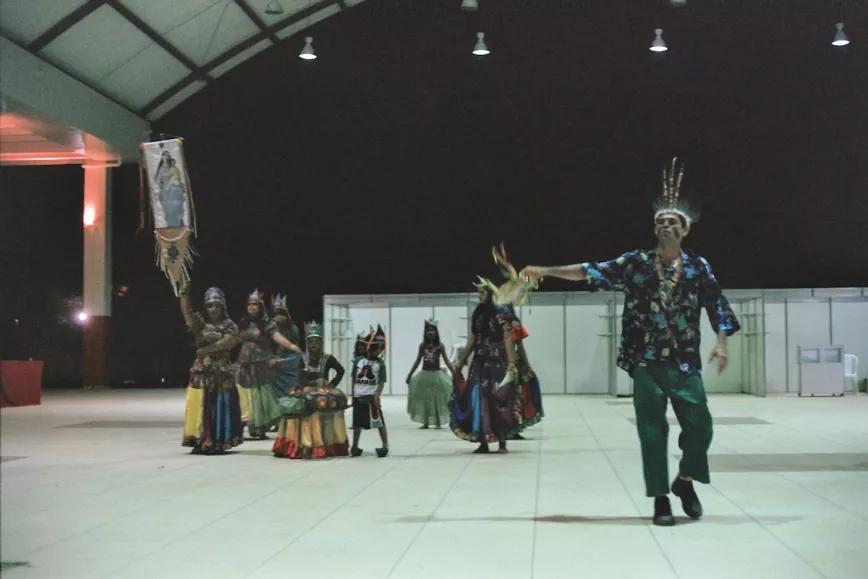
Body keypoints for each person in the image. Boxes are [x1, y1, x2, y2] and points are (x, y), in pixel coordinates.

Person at [520, 158, 740, 525]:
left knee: (701, 426)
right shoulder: (635, 263)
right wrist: (545, 270)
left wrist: (721, 342)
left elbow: (717, 305)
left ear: (685, 230)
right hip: (646, 363)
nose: (665, 225)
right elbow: (590, 271)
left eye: (672, 222)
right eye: (660, 222)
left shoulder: (699, 268)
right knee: (652, 433)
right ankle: (660, 500)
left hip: (685, 363)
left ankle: (685, 481)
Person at [450, 280, 520, 454]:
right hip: (480, 363)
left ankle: (502, 441)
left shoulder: (502, 312)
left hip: (497, 363)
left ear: (490, 294)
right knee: (479, 401)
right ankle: (484, 441)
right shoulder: (478, 313)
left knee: (499, 400)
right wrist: (460, 362)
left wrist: (511, 362)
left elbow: (507, 337)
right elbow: (472, 340)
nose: (479, 296)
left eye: (482, 293)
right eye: (478, 293)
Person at [179, 286, 243, 454]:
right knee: (201, 404)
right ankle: (202, 439)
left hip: (221, 371)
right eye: (209, 305)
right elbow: (187, 315)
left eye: (216, 305)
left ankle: (218, 440)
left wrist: (205, 350)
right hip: (201, 372)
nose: (213, 309)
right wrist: (184, 295)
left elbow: (227, 343)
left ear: (223, 306)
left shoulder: (230, 325)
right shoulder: (200, 323)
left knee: (219, 405)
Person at [273, 321, 349, 458]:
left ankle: (330, 443)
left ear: (321, 343)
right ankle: (306, 443)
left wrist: (332, 384)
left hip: (324, 389)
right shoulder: (303, 358)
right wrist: (309, 384)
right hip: (307, 387)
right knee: (304, 403)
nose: (314, 345)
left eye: (317, 342)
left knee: (333, 401)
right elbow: (300, 377)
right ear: (307, 343)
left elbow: (341, 371)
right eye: (311, 342)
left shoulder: (327, 358)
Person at [236, 289, 301, 439]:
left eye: (255, 304)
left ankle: (260, 427)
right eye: (249, 304)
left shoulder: (266, 324)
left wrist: (291, 346)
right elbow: (234, 339)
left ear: (260, 307)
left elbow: (277, 337)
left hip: (260, 364)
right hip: (245, 364)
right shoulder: (243, 323)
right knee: (246, 395)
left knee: (260, 396)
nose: (252, 307)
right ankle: (249, 424)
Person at [405, 319, 454, 428]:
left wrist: (455, 373)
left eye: (432, 330)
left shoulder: (440, 346)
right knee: (425, 399)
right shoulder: (423, 345)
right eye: (428, 330)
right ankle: (426, 422)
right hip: (424, 375)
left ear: (436, 332)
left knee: (437, 398)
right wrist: (410, 374)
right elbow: (417, 360)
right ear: (425, 333)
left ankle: (438, 421)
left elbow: (446, 360)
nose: (430, 332)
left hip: (437, 375)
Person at [350, 326, 389, 457]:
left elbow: (381, 382)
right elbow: (353, 379)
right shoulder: (358, 361)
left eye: (380, 348)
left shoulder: (380, 364)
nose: (378, 351)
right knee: (357, 424)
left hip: (372, 398)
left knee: (379, 422)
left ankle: (385, 445)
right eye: (376, 348)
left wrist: (377, 396)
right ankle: (355, 446)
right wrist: (353, 395)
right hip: (359, 396)